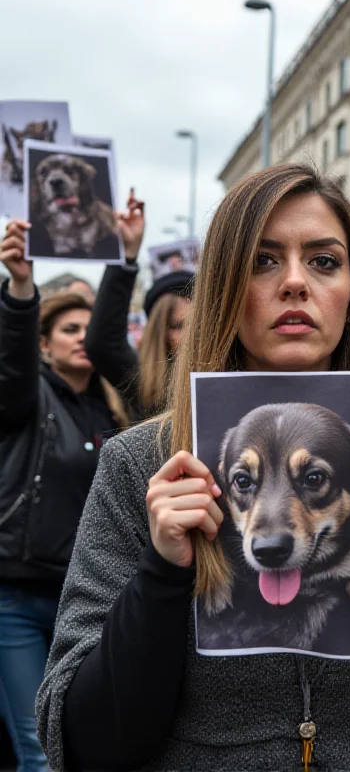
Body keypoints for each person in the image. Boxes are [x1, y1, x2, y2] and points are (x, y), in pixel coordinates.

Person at [37, 164, 350, 772]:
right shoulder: (142, 469)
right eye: (263, 261)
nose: (297, 282)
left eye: (325, 262)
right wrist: (163, 576)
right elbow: (86, 741)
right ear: (222, 285)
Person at [0, 220, 127, 772]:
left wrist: (128, 256)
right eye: (68, 329)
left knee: (92, 745)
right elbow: (10, 366)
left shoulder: (114, 410)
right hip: (20, 599)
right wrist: (22, 287)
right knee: (39, 748)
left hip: (93, 600)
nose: (82, 337)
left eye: (87, 328)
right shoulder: (28, 397)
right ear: (45, 346)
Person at [84, 191, 193, 420]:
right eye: (179, 326)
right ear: (160, 335)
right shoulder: (146, 382)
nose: (194, 336)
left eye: (202, 325)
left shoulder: (235, 371)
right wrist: (127, 256)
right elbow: (102, 345)